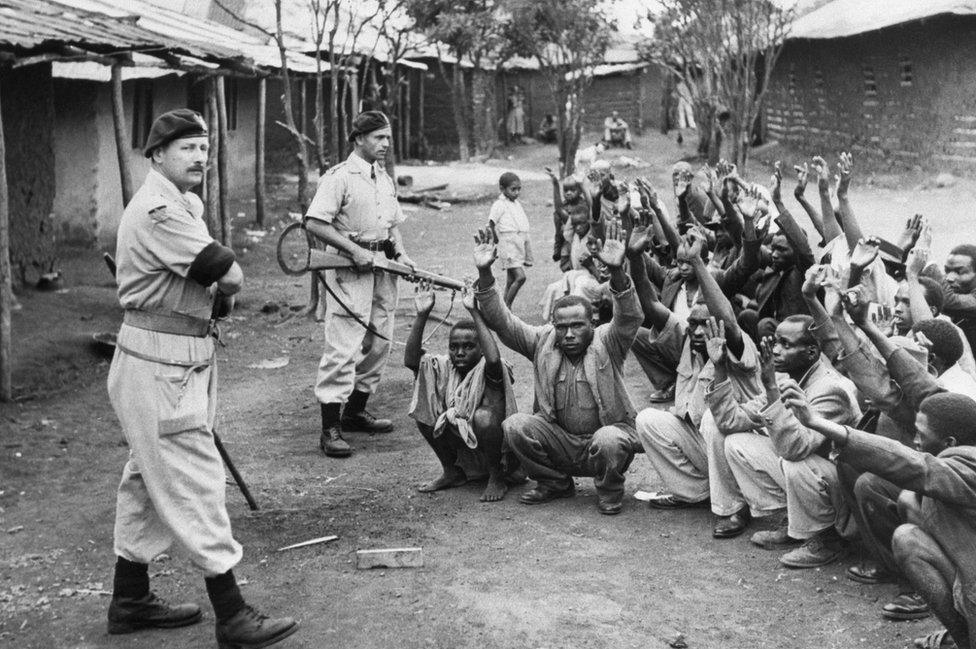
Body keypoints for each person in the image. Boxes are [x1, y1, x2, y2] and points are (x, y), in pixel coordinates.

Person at [107, 109, 297, 647]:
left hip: (177, 357)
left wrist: (221, 288)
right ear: (157, 155)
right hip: (158, 364)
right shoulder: (160, 208)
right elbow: (231, 275)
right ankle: (232, 613)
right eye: (186, 147)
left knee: (146, 481)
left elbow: (220, 284)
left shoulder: (185, 204)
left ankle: (130, 599)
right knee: (196, 479)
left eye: (204, 147)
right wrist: (225, 284)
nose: (199, 157)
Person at [782, 388, 976, 649]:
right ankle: (962, 640)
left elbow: (916, 465)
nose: (915, 440)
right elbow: (918, 382)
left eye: (921, 434)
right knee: (908, 539)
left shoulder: (968, 468)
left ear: (951, 443)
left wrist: (818, 423)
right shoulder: (960, 459)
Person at [474, 221, 644, 515]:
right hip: (560, 441)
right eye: (561, 326)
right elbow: (503, 322)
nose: (568, 334)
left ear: (592, 323)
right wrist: (485, 273)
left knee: (609, 439)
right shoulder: (543, 341)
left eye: (577, 326)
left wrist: (617, 272)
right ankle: (554, 482)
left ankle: (609, 490)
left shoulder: (608, 341)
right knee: (515, 426)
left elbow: (629, 317)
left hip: (602, 440)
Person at [304, 110, 416, 458]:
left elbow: (391, 225)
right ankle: (330, 427)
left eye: (387, 138)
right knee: (345, 344)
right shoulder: (339, 177)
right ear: (358, 139)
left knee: (381, 340)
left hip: (382, 267)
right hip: (350, 270)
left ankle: (355, 410)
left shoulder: (383, 178)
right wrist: (354, 251)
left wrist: (402, 255)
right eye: (378, 138)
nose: (385, 144)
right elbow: (315, 223)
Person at [711, 319, 860, 567]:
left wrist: (770, 388)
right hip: (814, 474)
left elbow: (794, 448)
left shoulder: (832, 388)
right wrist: (719, 368)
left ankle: (828, 539)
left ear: (812, 352)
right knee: (736, 443)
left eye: (785, 344)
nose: (776, 350)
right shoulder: (787, 378)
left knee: (795, 463)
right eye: (775, 342)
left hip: (844, 491)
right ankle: (795, 523)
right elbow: (730, 421)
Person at [405, 282, 519, 502]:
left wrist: (474, 312)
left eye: (468, 347)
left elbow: (493, 358)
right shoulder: (444, 366)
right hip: (464, 447)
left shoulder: (490, 367)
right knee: (425, 409)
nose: (459, 352)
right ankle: (452, 471)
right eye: (454, 347)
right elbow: (412, 361)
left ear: (481, 347)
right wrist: (422, 315)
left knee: (483, 417)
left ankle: (496, 477)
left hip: (500, 454)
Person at [488, 172, 534, 308]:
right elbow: (491, 222)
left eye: (519, 189)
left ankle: (501, 308)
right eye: (513, 189)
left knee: (511, 279)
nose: (517, 192)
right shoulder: (499, 204)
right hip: (508, 244)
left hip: (517, 243)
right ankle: (507, 306)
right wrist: (496, 238)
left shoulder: (516, 203)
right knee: (520, 277)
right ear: (502, 189)